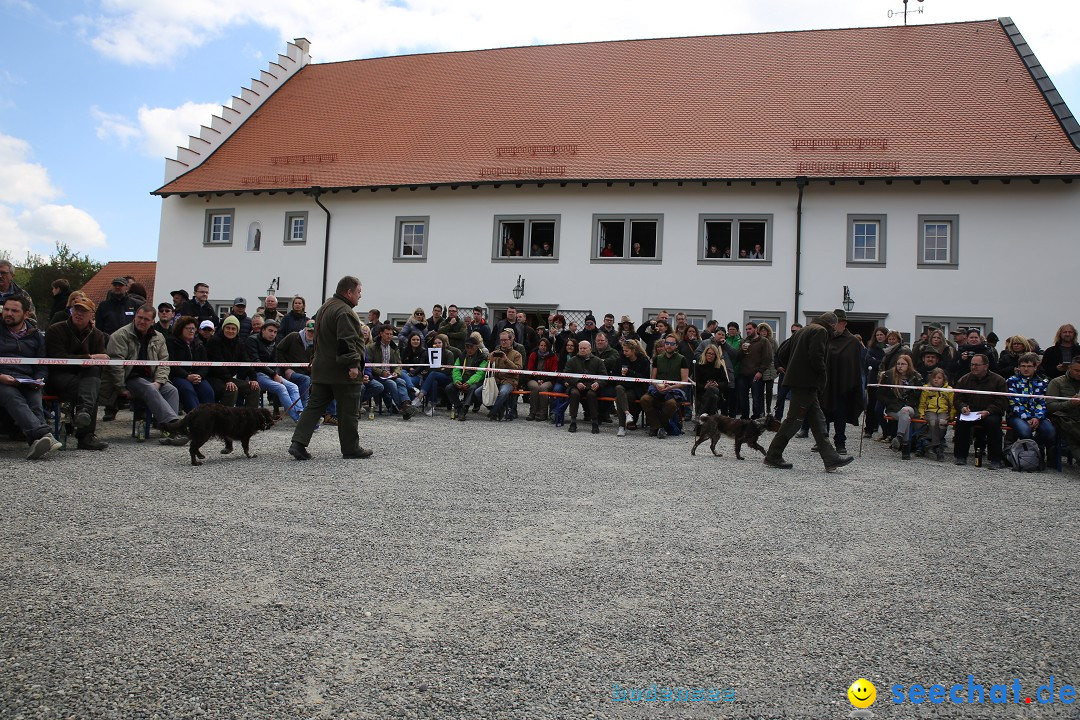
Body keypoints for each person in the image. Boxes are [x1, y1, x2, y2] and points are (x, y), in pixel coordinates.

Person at [288, 276, 372, 461]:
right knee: (348, 411)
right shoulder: (345, 312)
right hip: (341, 372)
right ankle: (351, 449)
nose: (360, 296)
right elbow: (346, 341)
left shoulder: (325, 307)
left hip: (322, 369)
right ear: (348, 292)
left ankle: (298, 443)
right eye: (358, 292)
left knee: (313, 407)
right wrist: (352, 365)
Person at [763, 312, 855, 472]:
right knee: (793, 420)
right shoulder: (820, 331)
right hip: (806, 382)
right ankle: (773, 454)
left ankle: (830, 457)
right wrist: (823, 376)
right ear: (832, 324)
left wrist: (793, 368)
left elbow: (783, 352)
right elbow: (816, 356)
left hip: (800, 381)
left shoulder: (804, 329)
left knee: (818, 419)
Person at [102, 304, 188, 445]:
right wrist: (121, 388)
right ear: (135, 317)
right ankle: (174, 427)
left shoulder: (159, 337)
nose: (142, 321)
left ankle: (168, 433)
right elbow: (115, 365)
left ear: (152, 321)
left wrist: (159, 381)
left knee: (172, 390)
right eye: (140, 317)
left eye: (146, 319)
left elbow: (164, 362)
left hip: (152, 378)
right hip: (129, 378)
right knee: (149, 388)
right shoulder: (120, 335)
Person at [0, 294, 63, 458]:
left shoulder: (36, 336)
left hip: (27, 379)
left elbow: (42, 364)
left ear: (26, 314)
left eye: (14, 310)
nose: (8, 313)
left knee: (35, 401)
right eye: (6, 309)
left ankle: (37, 443)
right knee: (12, 397)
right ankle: (44, 435)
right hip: (2, 379)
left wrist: (40, 379)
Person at [45, 294, 109, 450]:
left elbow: (102, 362)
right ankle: (85, 433)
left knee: (92, 377)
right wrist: (88, 358)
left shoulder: (97, 335)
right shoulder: (56, 329)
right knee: (89, 388)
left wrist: (90, 362)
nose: (79, 314)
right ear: (71, 310)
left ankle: (82, 414)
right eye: (76, 309)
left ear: (91, 315)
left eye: (83, 311)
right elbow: (58, 359)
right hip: (59, 375)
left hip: (84, 376)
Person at [953, 353, 1008, 469]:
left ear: (986, 366)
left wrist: (988, 411)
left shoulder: (998, 380)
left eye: (977, 365)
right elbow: (958, 398)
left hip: (990, 413)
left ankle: (995, 459)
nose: (973, 367)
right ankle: (960, 456)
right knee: (961, 421)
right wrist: (962, 407)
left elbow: (1002, 401)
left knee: (993, 423)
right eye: (972, 365)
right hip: (970, 412)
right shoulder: (964, 380)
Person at [823, 309, 864, 455]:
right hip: (825, 384)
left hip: (842, 385)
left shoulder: (852, 341)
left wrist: (850, 383)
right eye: (832, 323)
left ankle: (840, 442)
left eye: (837, 323)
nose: (833, 326)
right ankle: (822, 441)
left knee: (840, 414)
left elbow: (854, 365)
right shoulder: (826, 337)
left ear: (844, 324)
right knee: (823, 413)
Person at [246, 319, 304, 422]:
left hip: (271, 374)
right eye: (270, 331)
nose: (273, 334)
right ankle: (298, 419)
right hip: (256, 374)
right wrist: (274, 375)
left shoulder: (275, 342)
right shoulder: (252, 340)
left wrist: (276, 374)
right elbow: (256, 362)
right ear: (263, 330)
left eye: (275, 332)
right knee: (281, 388)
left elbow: (276, 362)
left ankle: (300, 412)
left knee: (293, 387)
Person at [1006, 352, 1055, 461]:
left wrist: (1037, 417)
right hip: (1016, 416)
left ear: (1035, 367)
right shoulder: (1011, 381)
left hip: (1038, 416)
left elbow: (1042, 402)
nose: (1026, 369)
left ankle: (1037, 445)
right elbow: (1014, 403)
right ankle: (1032, 457)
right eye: (1023, 366)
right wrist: (1027, 418)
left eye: (1029, 366)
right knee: (1025, 432)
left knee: (1050, 432)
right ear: (1018, 367)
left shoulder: (1043, 382)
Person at [639, 334, 689, 438]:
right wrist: (657, 385)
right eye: (667, 343)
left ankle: (658, 426)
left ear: (676, 346)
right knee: (644, 399)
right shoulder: (657, 358)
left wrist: (670, 387)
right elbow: (653, 378)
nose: (669, 346)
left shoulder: (682, 359)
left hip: (674, 390)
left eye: (672, 344)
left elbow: (684, 381)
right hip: (658, 388)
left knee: (671, 404)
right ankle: (656, 427)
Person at [205, 315, 261, 408]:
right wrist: (228, 380)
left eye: (233, 329)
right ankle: (226, 418)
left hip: (229, 378)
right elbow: (217, 364)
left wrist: (253, 378)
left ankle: (249, 418)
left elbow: (246, 361)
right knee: (231, 389)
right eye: (228, 328)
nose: (230, 331)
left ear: (237, 330)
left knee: (254, 388)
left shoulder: (239, 342)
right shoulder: (214, 341)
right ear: (223, 328)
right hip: (213, 378)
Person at [167, 316, 216, 412]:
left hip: (197, 376)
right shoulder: (172, 342)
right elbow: (171, 364)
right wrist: (187, 376)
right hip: (179, 376)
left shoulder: (198, 344)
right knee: (188, 391)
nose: (191, 331)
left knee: (208, 391)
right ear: (180, 329)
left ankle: (210, 419)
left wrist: (199, 375)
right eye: (188, 328)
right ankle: (196, 420)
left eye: (193, 328)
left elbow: (205, 364)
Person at [880, 353, 922, 460]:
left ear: (909, 365)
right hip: (893, 408)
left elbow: (918, 395)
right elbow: (880, 394)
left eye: (903, 364)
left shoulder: (916, 377)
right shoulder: (888, 376)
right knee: (906, 418)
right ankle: (905, 448)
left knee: (905, 411)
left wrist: (909, 402)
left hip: (910, 406)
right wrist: (891, 402)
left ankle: (899, 437)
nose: (900, 366)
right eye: (898, 364)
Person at [563, 339, 607, 434]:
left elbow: (604, 376)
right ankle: (573, 422)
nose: (582, 350)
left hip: (592, 386)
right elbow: (566, 375)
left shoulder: (598, 361)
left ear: (590, 349)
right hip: (576, 385)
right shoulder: (572, 361)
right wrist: (576, 382)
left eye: (584, 348)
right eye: (580, 348)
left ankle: (594, 422)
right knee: (574, 393)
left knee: (592, 395)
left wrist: (598, 383)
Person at [612, 338, 651, 436]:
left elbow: (644, 378)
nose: (624, 353)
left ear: (633, 350)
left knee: (618, 399)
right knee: (619, 389)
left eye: (626, 351)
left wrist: (630, 372)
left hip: (637, 389)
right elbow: (615, 373)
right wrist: (622, 376)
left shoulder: (643, 360)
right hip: (623, 386)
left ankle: (622, 427)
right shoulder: (620, 359)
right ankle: (627, 414)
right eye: (623, 350)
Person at [443, 337, 488, 421]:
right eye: (467, 347)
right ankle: (459, 407)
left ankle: (465, 409)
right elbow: (456, 369)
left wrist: (469, 382)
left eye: (471, 347)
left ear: (476, 347)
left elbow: (480, 373)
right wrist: (457, 381)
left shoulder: (483, 357)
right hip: (462, 379)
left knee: (473, 388)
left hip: (476, 381)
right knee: (449, 388)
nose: (469, 350)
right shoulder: (461, 355)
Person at [411, 334, 456, 414]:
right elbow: (429, 368)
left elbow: (448, 370)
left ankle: (419, 397)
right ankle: (433, 407)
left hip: (447, 377)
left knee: (433, 374)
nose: (437, 345)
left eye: (439, 343)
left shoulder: (449, 354)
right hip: (434, 376)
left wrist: (437, 369)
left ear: (444, 344)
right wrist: (440, 368)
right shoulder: (431, 353)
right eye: (435, 343)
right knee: (434, 381)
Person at [917, 367, 954, 461]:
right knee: (933, 422)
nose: (936, 379)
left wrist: (952, 415)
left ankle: (928, 442)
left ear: (944, 379)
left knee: (942, 423)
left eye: (939, 378)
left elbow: (952, 404)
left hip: (943, 411)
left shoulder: (949, 390)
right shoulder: (926, 389)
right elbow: (922, 403)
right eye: (934, 377)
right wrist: (921, 414)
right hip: (930, 411)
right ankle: (937, 446)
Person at [1046, 356, 1080, 458]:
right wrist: (1070, 403)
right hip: (1064, 418)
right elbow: (1050, 406)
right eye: (1076, 370)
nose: (1079, 373)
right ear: (1069, 368)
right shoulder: (1057, 382)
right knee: (1073, 435)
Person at [275, 319, 315, 405]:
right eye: (309, 331)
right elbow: (278, 350)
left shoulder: (317, 343)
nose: (311, 333)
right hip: (291, 371)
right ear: (305, 329)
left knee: (321, 381)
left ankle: (326, 413)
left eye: (313, 332)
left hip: (307, 371)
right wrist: (286, 368)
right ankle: (301, 407)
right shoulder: (293, 336)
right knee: (306, 380)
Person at [486, 330, 523, 420]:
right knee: (478, 392)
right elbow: (486, 369)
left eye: (505, 340)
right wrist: (490, 361)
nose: (503, 342)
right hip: (495, 380)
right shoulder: (495, 353)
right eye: (501, 340)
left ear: (510, 340)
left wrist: (506, 360)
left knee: (503, 393)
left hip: (509, 381)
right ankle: (499, 408)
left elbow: (518, 369)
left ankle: (493, 412)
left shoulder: (517, 354)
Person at [526, 336, 559, 421]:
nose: (543, 347)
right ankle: (532, 412)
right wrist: (537, 379)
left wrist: (543, 380)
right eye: (541, 345)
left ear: (548, 346)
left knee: (543, 388)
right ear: (538, 346)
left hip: (548, 379)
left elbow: (553, 371)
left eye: (545, 345)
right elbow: (530, 369)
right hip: (533, 378)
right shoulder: (533, 355)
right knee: (535, 387)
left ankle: (543, 413)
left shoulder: (553, 356)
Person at [695, 343, 729, 416]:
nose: (710, 356)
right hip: (702, 391)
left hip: (716, 389)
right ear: (705, 353)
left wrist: (717, 384)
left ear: (716, 356)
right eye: (709, 353)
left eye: (713, 354)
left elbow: (725, 382)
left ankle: (701, 415)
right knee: (713, 397)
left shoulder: (719, 366)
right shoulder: (699, 366)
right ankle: (711, 417)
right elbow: (695, 383)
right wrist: (705, 386)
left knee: (712, 390)